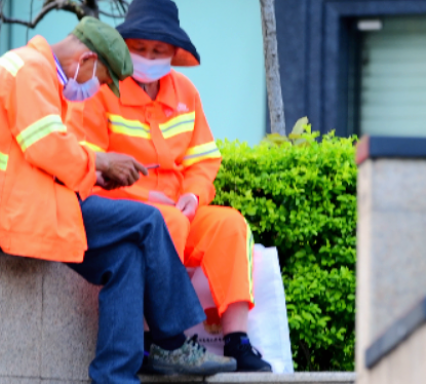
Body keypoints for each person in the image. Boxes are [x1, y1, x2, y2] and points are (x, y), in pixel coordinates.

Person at [0, 17, 236, 383]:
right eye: (102, 80)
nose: (96, 89)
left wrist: (97, 171)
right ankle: (171, 343)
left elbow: (43, 149)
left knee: (126, 257)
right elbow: (49, 148)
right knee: (148, 221)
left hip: (27, 205)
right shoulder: (31, 70)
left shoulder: (28, 67)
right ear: (87, 58)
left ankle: (114, 376)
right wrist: (101, 163)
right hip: (22, 211)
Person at [65, 0, 272, 372]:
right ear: (124, 47)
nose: (148, 56)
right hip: (124, 210)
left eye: (158, 51)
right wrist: (146, 197)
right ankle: (150, 343)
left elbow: (203, 159)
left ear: (173, 54)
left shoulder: (186, 92)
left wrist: (194, 195)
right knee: (166, 223)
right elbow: (87, 164)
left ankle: (238, 343)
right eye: (140, 48)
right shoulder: (100, 89)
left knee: (230, 225)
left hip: (180, 207)